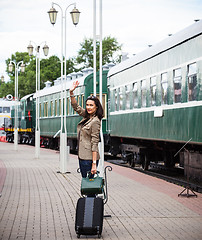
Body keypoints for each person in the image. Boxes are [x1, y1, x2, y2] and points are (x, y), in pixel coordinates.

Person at [69, 80, 104, 178]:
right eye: (87, 105)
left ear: (96, 107)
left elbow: (94, 142)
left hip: (89, 159)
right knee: (87, 185)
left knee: (89, 186)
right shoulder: (87, 116)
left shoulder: (95, 121)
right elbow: (76, 107)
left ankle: (92, 195)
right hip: (83, 157)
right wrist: (71, 93)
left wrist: (94, 164)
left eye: (91, 105)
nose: (88, 107)